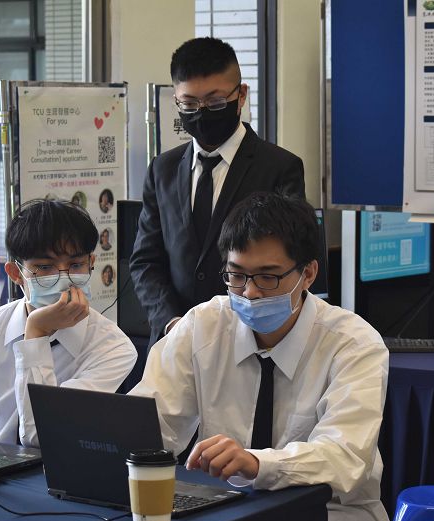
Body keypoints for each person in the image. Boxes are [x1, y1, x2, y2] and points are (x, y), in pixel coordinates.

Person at [129, 193, 390, 521]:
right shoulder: (202, 326)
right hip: (226, 510)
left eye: (268, 277)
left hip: (330, 516)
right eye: (236, 275)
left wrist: (257, 463)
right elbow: (151, 426)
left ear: (308, 274)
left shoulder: (353, 344)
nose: (249, 293)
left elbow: (344, 457)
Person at [130, 37, 305, 345]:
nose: (201, 113)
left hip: (251, 338)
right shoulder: (163, 169)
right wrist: (173, 324)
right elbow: (146, 260)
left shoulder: (280, 167)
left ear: (241, 95)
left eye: (215, 103)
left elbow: (290, 260)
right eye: (189, 104)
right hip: (175, 340)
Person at [0, 199, 137, 447]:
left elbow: (40, 435)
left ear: (91, 263)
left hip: (57, 465)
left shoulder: (113, 347)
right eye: (45, 267)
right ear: (16, 274)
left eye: (76, 265)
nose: (63, 278)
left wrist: (36, 334)